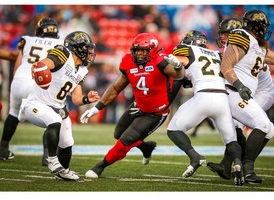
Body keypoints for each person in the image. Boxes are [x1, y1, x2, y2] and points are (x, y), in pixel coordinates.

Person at [80, 32, 185, 179]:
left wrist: (179, 67)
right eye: (137, 50)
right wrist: (97, 107)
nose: (139, 54)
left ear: (153, 49)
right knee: (118, 134)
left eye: (143, 50)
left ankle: (100, 166)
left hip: (156, 112)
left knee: (125, 141)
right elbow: (116, 87)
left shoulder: (160, 61)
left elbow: (179, 76)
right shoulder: (128, 62)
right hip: (139, 105)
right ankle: (146, 147)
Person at [214, 10, 274, 184]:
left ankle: (239, 166)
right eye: (263, 26)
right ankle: (246, 169)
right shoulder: (243, 37)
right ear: (255, 26)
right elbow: (226, 66)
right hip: (234, 91)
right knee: (261, 125)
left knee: (269, 129)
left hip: (248, 92)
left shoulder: (256, 44)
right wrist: (239, 85)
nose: (225, 37)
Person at [18, 31, 100, 182]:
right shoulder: (64, 53)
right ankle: (52, 160)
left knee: (67, 142)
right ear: (77, 48)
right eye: (86, 48)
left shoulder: (82, 70)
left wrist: (87, 99)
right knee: (54, 120)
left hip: (58, 108)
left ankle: (64, 171)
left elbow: (76, 99)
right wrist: (40, 70)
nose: (90, 53)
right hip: (37, 104)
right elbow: (41, 65)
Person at [166, 30, 244, 186]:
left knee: (173, 129)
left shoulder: (188, 50)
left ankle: (195, 156)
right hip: (223, 98)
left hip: (203, 96)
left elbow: (176, 63)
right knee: (231, 140)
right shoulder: (218, 54)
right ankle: (237, 164)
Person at [0, 18, 63, 164]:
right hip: (37, 82)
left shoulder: (27, 40)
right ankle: (47, 155)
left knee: (13, 113)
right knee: (51, 117)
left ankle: (3, 148)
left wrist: (16, 81)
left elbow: (17, 63)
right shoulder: (60, 44)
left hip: (19, 79)